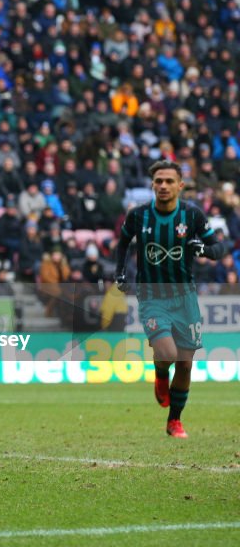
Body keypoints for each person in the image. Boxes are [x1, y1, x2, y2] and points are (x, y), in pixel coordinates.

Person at [115, 160, 228, 439]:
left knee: (187, 364)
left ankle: (174, 421)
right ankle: (160, 374)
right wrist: (119, 273)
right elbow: (122, 241)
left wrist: (203, 248)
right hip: (152, 295)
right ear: (152, 185)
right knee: (166, 353)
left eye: (169, 181)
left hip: (184, 296)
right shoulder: (138, 215)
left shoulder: (192, 216)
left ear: (180, 185)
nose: (163, 186)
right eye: (158, 181)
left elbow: (219, 247)